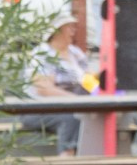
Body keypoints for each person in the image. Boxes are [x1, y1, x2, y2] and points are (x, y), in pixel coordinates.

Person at [23, 16, 94, 155]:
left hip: (73, 104)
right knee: (71, 117)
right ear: (56, 31)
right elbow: (44, 90)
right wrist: (76, 100)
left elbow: (88, 81)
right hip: (39, 109)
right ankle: (67, 157)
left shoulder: (75, 52)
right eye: (69, 27)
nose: (73, 31)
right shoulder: (41, 54)